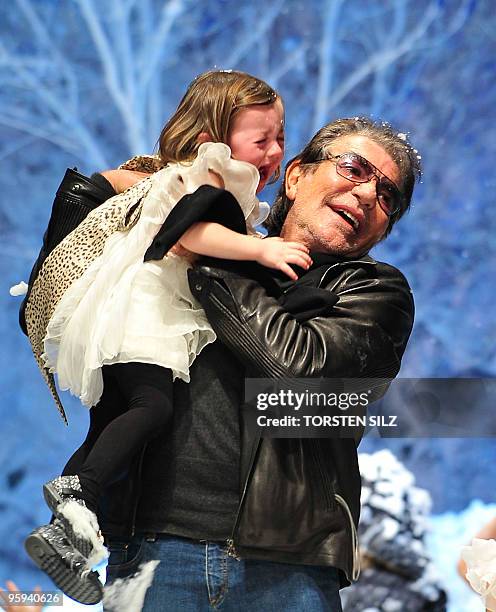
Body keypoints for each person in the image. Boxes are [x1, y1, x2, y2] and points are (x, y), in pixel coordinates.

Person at [23, 116, 420, 611]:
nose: (367, 195)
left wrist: (207, 252)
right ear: (295, 176)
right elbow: (58, 299)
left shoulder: (374, 291)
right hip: (152, 550)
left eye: (388, 197)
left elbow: (303, 375)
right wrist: (89, 201)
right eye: (354, 168)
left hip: (289, 567)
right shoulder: (200, 245)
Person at [23, 70, 314, 605]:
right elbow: (189, 232)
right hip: (146, 313)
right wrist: (261, 250)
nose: (275, 152)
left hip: (121, 315)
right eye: (262, 139)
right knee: (154, 406)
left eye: (281, 137)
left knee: (112, 427)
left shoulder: (199, 177)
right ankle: (76, 491)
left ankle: (70, 530)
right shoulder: (208, 173)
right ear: (213, 141)